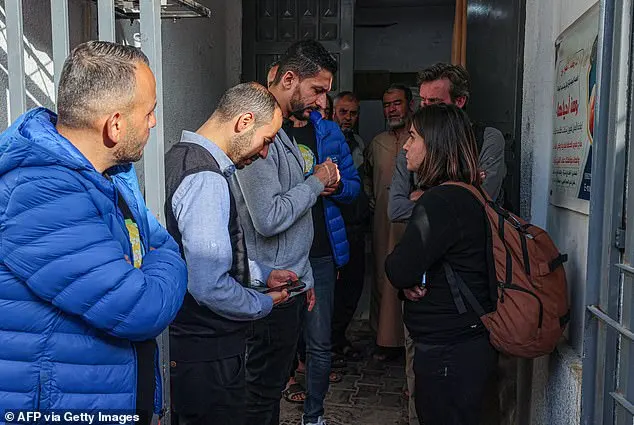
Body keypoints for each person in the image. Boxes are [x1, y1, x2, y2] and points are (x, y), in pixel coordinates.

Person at [0, 41, 188, 423]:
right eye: (149, 111)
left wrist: (150, 257)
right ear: (115, 125)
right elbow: (143, 307)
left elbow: (157, 243)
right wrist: (161, 260)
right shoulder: (42, 193)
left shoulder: (105, 176)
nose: (153, 122)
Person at [165, 83, 298, 425]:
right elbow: (208, 284)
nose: (265, 153)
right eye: (267, 140)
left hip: (193, 348)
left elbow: (198, 254)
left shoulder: (178, 156)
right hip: (207, 354)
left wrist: (260, 272)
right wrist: (263, 303)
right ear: (244, 122)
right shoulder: (205, 177)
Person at [229, 40, 341, 425]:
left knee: (269, 394)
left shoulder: (283, 131)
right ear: (290, 79)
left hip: (288, 286)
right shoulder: (259, 132)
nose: (322, 103)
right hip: (267, 294)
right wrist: (317, 181)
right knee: (259, 398)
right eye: (318, 91)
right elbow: (269, 217)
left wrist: (305, 276)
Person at [385, 104, 497, 425]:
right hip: (466, 342)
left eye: (414, 137)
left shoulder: (439, 202)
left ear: (434, 144)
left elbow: (400, 268)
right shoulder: (468, 193)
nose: (405, 145)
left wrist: (403, 274)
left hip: (449, 349)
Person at [389, 63, 507, 223]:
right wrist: (465, 188)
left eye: (434, 101)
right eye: (423, 101)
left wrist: (423, 195)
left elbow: (481, 202)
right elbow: (396, 209)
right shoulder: (412, 145)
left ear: (459, 101)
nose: (426, 109)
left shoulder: (487, 139)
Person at [365, 84, 413, 361]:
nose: (392, 109)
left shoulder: (419, 139)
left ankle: (406, 341)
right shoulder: (377, 142)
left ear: (409, 104)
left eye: (397, 103)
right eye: (387, 104)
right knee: (382, 276)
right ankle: (382, 340)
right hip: (383, 220)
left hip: (410, 222)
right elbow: (368, 177)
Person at [331, 91, 370, 360]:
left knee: (352, 287)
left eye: (353, 113)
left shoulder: (358, 143)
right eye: (343, 112)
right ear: (334, 112)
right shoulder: (326, 141)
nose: (348, 118)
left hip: (357, 226)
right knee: (332, 289)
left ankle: (338, 339)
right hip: (335, 226)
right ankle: (326, 347)